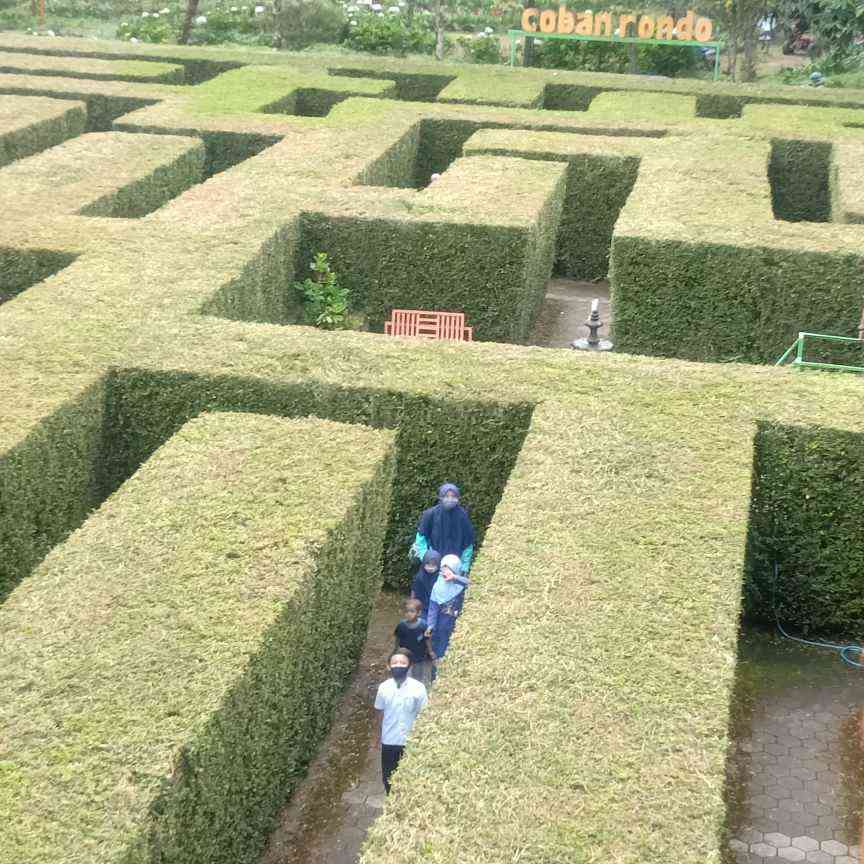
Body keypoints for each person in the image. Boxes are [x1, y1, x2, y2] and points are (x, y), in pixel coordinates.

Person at [374, 649, 428, 794]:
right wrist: (378, 736)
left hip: (410, 740)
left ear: (409, 666)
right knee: (388, 777)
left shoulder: (419, 688)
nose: (398, 665)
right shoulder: (383, 688)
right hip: (389, 740)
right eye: (395, 662)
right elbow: (380, 711)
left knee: (410, 776)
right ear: (388, 666)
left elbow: (424, 714)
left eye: (403, 663)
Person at [412, 483, 475, 576]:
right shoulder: (430, 514)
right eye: (446, 496)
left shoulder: (463, 516)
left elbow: (468, 543)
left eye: (453, 496)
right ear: (441, 497)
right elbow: (421, 539)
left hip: (454, 565)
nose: (450, 499)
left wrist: (464, 566)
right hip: (433, 564)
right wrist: (427, 559)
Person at [425, 554, 468, 662]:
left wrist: (455, 577)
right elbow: (432, 609)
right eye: (443, 570)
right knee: (440, 650)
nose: (445, 573)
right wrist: (430, 626)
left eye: (449, 570)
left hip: (458, 624)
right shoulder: (438, 586)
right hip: (442, 626)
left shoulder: (460, 582)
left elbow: (472, 583)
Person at [394, 598, 437, 687]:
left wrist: (430, 651)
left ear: (419, 613)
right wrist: (395, 650)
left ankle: (416, 690)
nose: (409, 614)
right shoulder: (401, 626)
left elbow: (427, 639)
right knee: (405, 674)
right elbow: (397, 639)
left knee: (417, 677)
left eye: (412, 611)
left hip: (419, 656)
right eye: (407, 611)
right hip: (405, 655)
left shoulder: (423, 625)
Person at [411, 548, 442, 617]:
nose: (430, 568)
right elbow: (414, 591)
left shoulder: (440, 577)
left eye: (433, 565)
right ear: (424, 563)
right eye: (428, 565)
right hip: (422, 607)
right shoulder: (419, 577)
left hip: (435, 606)